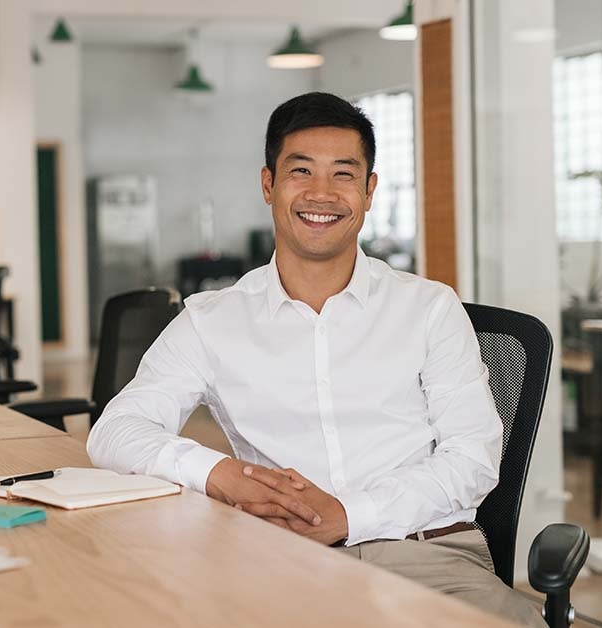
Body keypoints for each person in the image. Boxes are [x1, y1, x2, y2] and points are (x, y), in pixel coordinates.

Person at [86, 91, 544, 626]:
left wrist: (347, 516)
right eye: (301, 170)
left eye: (343, 175)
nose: (321, 194)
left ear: (369, 191)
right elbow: (115, 430)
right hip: (278, 558)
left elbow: (472, 458)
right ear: (268, 185)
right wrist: (221, 474)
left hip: (424, 554)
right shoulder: (212, 320)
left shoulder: (429, 308)